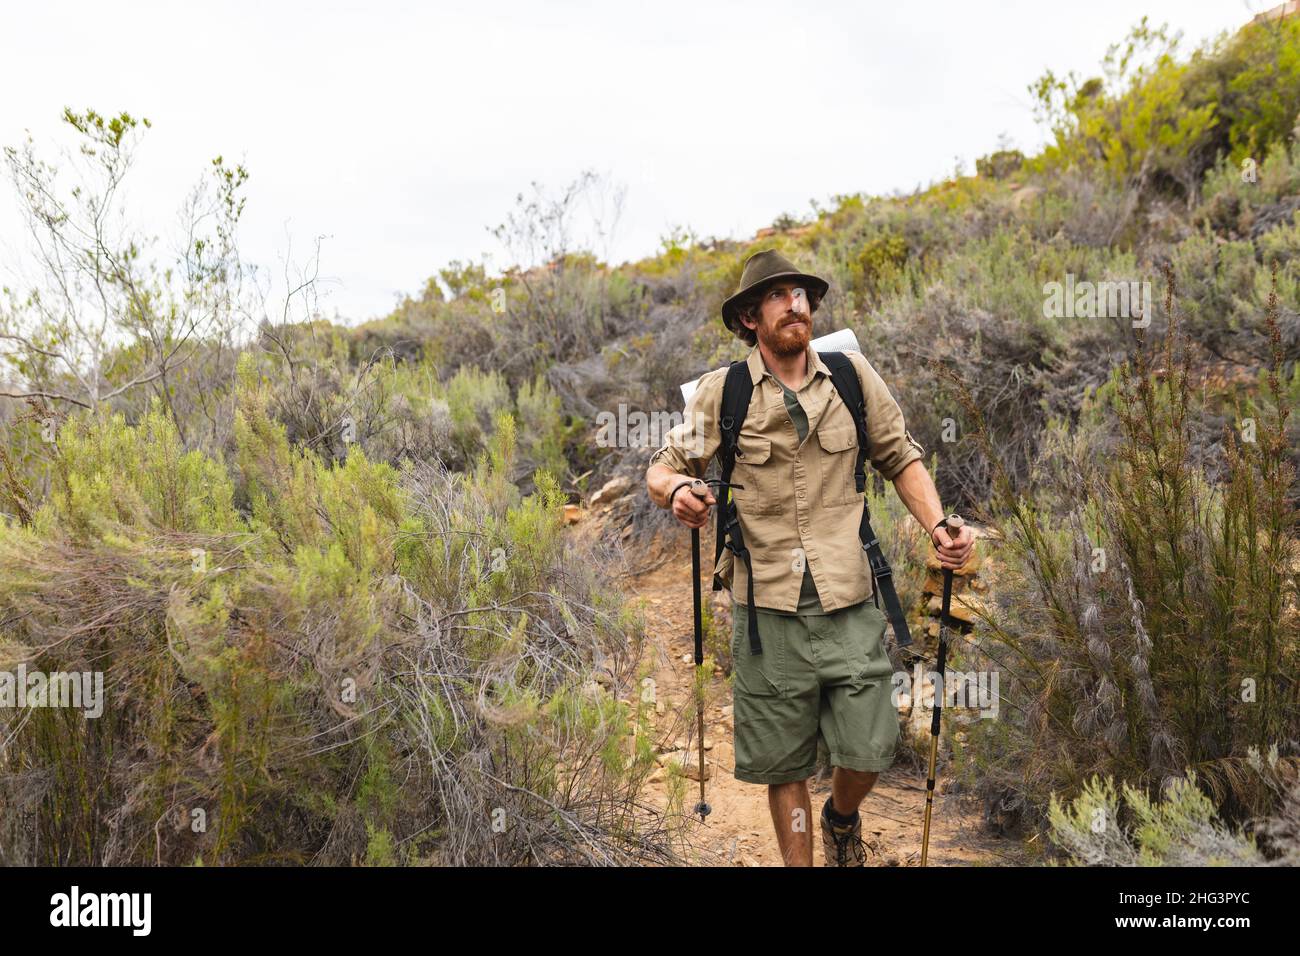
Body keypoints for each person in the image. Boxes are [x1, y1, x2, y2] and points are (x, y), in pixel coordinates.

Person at [645, 249, 975, 866]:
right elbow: (663, 470)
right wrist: (681, 493)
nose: (794, 303)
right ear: (749, 318)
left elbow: (900, 457)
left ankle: (841, 818)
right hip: (767, 610)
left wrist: (939, 525)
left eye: (800, 293)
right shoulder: (726, 393)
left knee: (868, 746)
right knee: (785, 762)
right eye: (777, 296)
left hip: (849, 597)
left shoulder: (851, 377)